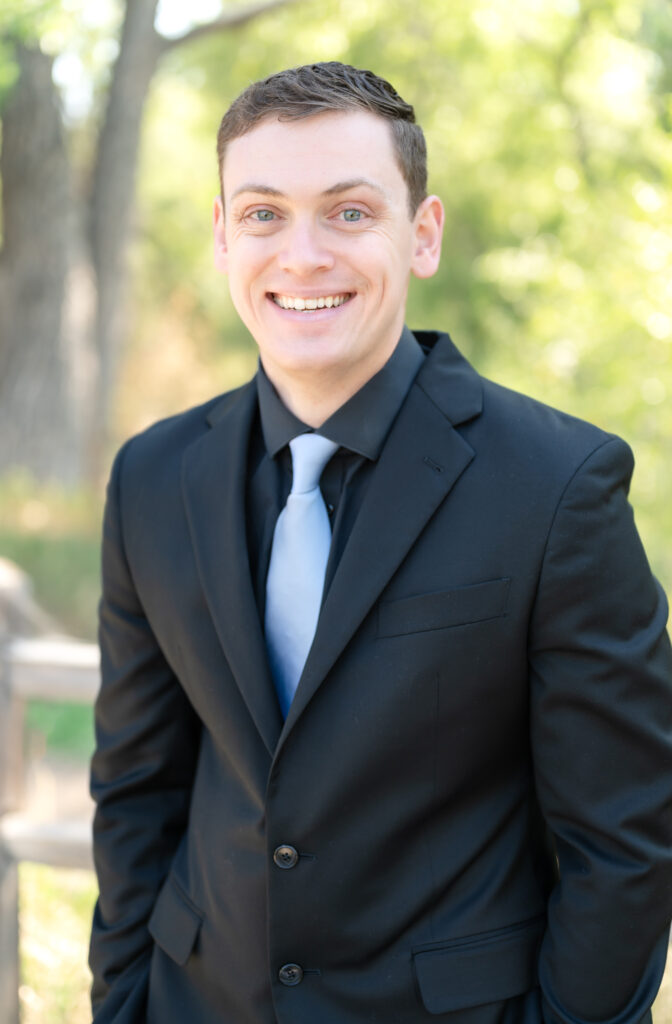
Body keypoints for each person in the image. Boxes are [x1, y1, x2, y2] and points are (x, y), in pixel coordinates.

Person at [89, 61, 672, 1024]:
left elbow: (627, 839)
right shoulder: (150, 479)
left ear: (423, 234)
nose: (304, 255)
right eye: (265, 213)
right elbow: (136, 790)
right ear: (224, 235)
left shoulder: (559, 486)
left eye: (349, 213)